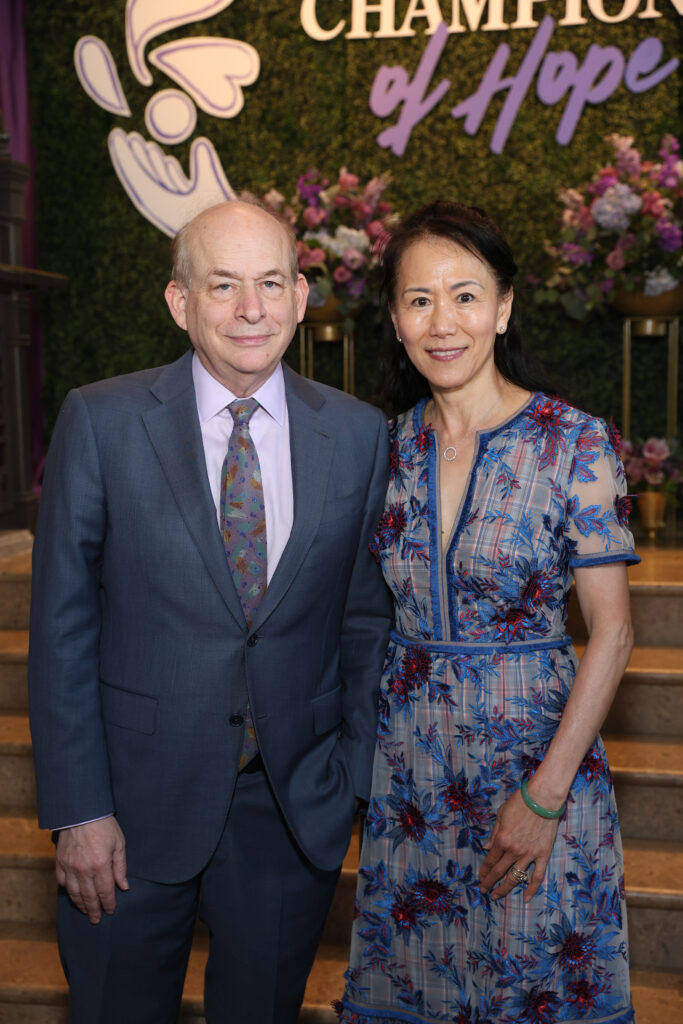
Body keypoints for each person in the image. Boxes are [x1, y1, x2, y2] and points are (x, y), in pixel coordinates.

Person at [28, 198, 393, 1023]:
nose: (250, 309)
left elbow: (366, 621)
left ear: (302, 297)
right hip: (127, 814)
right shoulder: (102, 421)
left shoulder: (361, 436)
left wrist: (348, 779)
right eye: (222, 285)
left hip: (289, 811)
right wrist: (80, 810)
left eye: (270, 282)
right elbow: (60, 633)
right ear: (179, 302)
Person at [337, 201, 638, 1024]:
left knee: (531, 992)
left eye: (465, 296)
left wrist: (542, 800)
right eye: (419, 299)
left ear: (502, 309)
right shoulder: (379, 448)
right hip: (410, 783)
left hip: (535, 767)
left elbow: (611, 634)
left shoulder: (573, 442)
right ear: (395, 320)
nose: (443, 322)